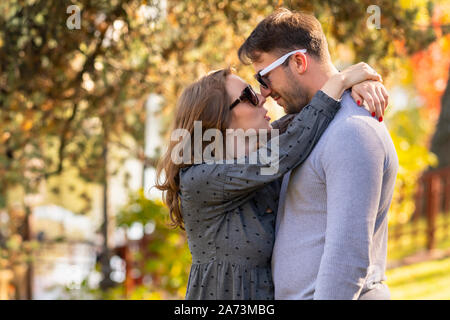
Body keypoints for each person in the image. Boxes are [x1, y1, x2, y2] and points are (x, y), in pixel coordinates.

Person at [155, 61, 388, 299]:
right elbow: (287, 148)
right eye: (248, 95)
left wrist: (352, 90)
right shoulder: (200, 178)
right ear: (217, 118)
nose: (261, 96)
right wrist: (339, 82)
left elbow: (302, 122)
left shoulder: (258, 158)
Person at [238, 8, 398, 299]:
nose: (264, 92)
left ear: (298, 61)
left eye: (264, 77)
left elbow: (347, 259)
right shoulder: (308, 128)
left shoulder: (350, 131)